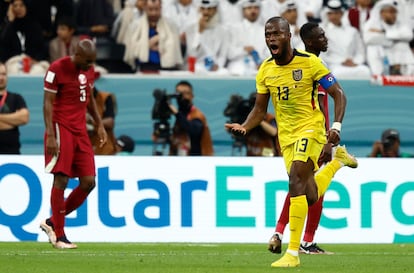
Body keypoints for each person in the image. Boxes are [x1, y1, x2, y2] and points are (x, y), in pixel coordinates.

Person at [225, 17, 358, 267]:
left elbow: (338, 94)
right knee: (307, 193)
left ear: (288, 36)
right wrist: (244, 126)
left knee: (296, 178)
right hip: (285, 136)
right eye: (268, 34)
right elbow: (259, 109)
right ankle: (337, 164)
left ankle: (293, 253)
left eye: (276, 33)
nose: (271, 38)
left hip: (311, 129)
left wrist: (336, 127)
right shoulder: (265, 70)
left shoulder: (310, 63)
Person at [268, 22, 335, 256]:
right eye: (320, 36)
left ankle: (287, 234)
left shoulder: (311, 63)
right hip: (310, 134)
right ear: (308, 41)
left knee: (304, 183)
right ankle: (299, 239)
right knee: (303, 183)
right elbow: (320, 106)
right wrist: (327, 138)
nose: (325, 39)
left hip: (306, 134)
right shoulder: (308, 65)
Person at [40, 39, 108, 249]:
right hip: (61, 128)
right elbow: (47, 103)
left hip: (80, 131)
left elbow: (88, 99)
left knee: (89, 182)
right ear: (76, 55)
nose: (90, 66)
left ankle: (52, 222)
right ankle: (59, 236)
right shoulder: (56, 69)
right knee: (61, 179)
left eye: (92, 62)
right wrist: (51, 134)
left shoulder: (88, 70)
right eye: (87, 61)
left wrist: (99, 124)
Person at [123, 0, 183, 72]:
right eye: (150, 9)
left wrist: (158, 41)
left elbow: (173, 47)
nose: (154, 13)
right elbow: (132, 49)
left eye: (156, 9)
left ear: (161, 8)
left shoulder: (171, 26)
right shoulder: (135, 26)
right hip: (144, 67)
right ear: (145, 8)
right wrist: (151, 42)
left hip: (167, 68)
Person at [320, 0, 371, 79]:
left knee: (366, 71)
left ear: (342, 14)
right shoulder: (322, 31)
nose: (333, 16)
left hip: (354, 64)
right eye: (330, 14)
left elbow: (361, 52)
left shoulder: (352, 31)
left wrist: (355, 62)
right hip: (334, 65)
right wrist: (341, 61)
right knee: (337, 74)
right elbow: (322, 55)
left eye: (336, 13)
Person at [168, 80, 213, 156]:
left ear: (192, 96)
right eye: (179, 93)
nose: (183, 96)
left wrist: (177, 113)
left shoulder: (197, 115)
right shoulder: (181, 114)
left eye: (186, 93)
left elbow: (193, 130)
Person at [0, 61, 29, 154]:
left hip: (12, 154)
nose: (1, 78)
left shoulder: (16, 98)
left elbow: (24, 118)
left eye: (4, 74)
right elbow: (18, 119)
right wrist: (13, 120)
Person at [87, 72, 117, 155]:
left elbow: (110, 122)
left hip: (104, 147)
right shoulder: (76, 97)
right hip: (84, 144)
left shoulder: (105, 97)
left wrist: (91, 121)